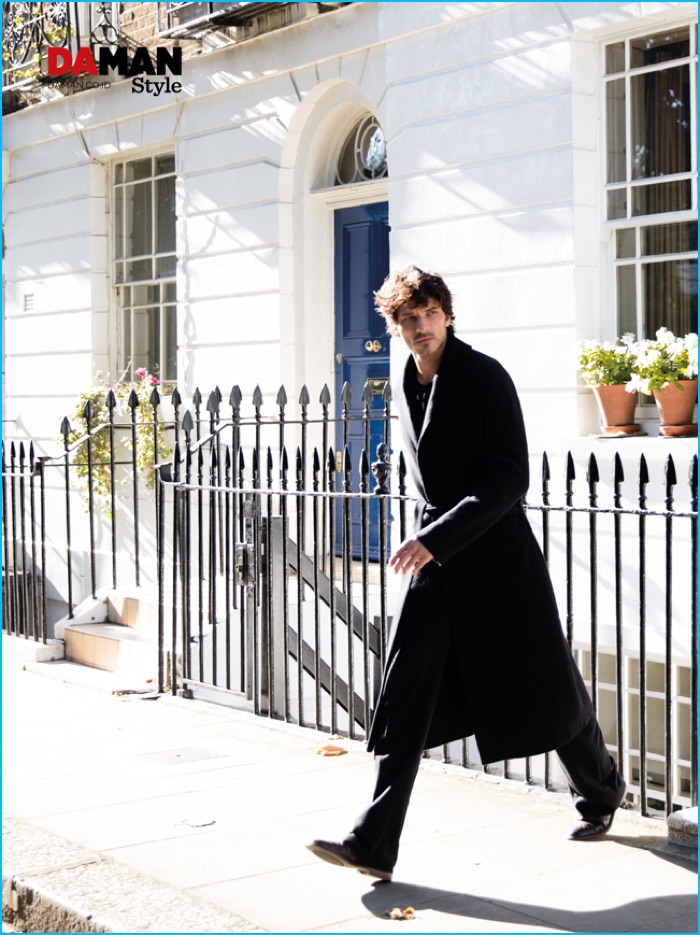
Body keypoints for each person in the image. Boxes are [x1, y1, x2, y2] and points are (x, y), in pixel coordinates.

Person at [307, 266, 626, 883]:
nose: (419, 325)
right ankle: (374, 842)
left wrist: (434, 537)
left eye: (428, 313)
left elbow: (510, 477)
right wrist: (431, 541)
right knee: (407, 696)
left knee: (547, 686)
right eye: (407, 317)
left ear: (447, 315)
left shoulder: (484, 377)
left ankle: (602, 790)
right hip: (437, 568)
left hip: (498, 562)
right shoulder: (403, 382)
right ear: (396, 328)